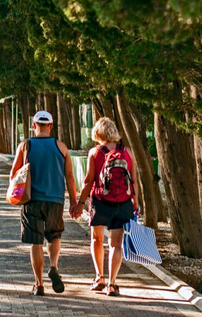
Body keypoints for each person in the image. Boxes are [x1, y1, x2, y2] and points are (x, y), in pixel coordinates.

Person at [9, 110, 80, 296]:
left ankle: (39, 284)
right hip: (55, 200)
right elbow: (70, 178)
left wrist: (15, 194)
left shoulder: (25, 146)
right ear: (50, 125)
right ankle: (54, 266)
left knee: (36, 242)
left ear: (34, 126)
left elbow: (13, 174)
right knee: (54, 236)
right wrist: (74, 203)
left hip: (32, 200)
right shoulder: (61, 147)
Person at [73, 117, 139, 297]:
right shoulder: (127, 152)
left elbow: (88, 182)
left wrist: (80, 203)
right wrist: (135, 203)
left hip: (100, 202)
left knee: (96, 239)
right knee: (116, 244)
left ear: (98, 132)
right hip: (123, 202)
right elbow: (133, 181)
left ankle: (99, 277)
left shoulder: (95, 152)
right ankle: (112, 283)